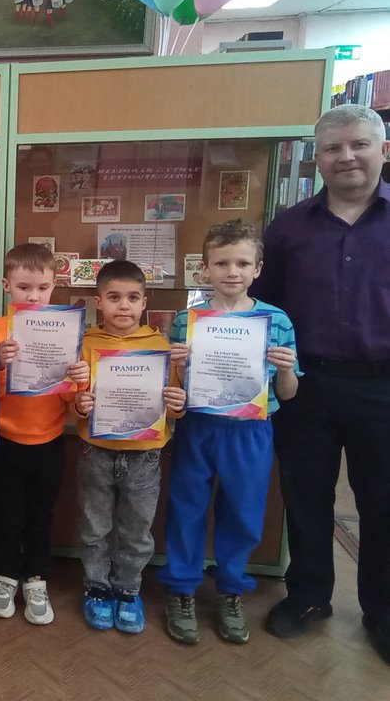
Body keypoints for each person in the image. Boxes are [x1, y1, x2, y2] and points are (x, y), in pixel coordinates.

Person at [251, 104, 390, 665]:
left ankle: (382, 610)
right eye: (332, 148)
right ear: (317, 157)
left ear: (383, 149)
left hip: (383, 386)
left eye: (358, 144)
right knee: (306, 495)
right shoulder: (288, 228)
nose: (346, 156)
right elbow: (263, 307)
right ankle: (308, 595)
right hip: (305, 384)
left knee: (383, 502)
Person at [158, 220, 300, 646]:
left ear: (258, 268)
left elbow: (288, 393)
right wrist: (177, 365)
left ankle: (231, 589)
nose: (232, 271)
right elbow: (175, 389)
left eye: (242, 263)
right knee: (187, 507)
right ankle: (182, 588)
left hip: (251, 430)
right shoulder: (187, 321)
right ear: (205, 268)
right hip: (199, 426)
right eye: (221, 263)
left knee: (243, 511)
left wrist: (286, 369)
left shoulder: (276, 320)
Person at [72, 260, 186, 634]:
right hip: (95, 451)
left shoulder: (161, 347)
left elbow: (174, 407)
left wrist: (178, 404)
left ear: (144, 303)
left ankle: (127, 590)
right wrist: (80, 404)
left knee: (137, 528)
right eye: (114, 297)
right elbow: (73, 398)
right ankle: (96, 587)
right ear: (99, 302)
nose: (124, 306)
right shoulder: (85, 344)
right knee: (95, 525)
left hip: (145, 455)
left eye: (133, 298)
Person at [0, 244, 89, 625]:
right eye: (24, 287)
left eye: (42, 288)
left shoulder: (67, 331)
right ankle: (5, 575)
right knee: (6, 513)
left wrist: (79, 381)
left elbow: (73, 403)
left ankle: (36, 577)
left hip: (49, 442)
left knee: (40, 515)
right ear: (6, 286)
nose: (33, 296)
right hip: (4, 443)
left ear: (54, 286)